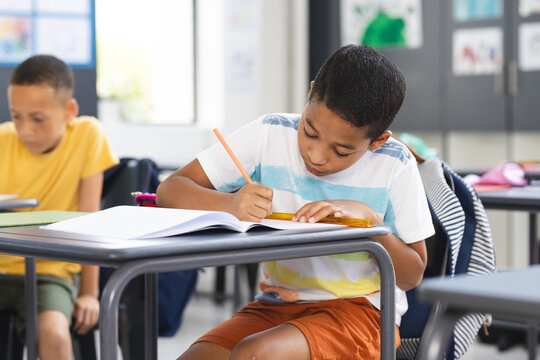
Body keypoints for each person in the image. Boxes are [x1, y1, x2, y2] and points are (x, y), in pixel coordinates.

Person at [157, 44, 435, 360]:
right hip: (277, 304)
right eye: (309, 131)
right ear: (310, 93)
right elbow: (171, 190)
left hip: (361, 314)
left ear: (378, 140)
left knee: (255, 354)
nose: (316, 155)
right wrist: (229, 204)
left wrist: (370, 223)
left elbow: (412, 275)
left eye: (341, 151)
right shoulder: (269, 133)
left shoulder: (395, 164)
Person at [0, 55, 118, 360]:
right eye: (17, 116)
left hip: (49, 271)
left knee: (54, 336)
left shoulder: (88, 134)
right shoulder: (2, 139)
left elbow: (90, 219)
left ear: (69, 111)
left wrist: (90, 293)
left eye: (38, 119)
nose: (25, 130)